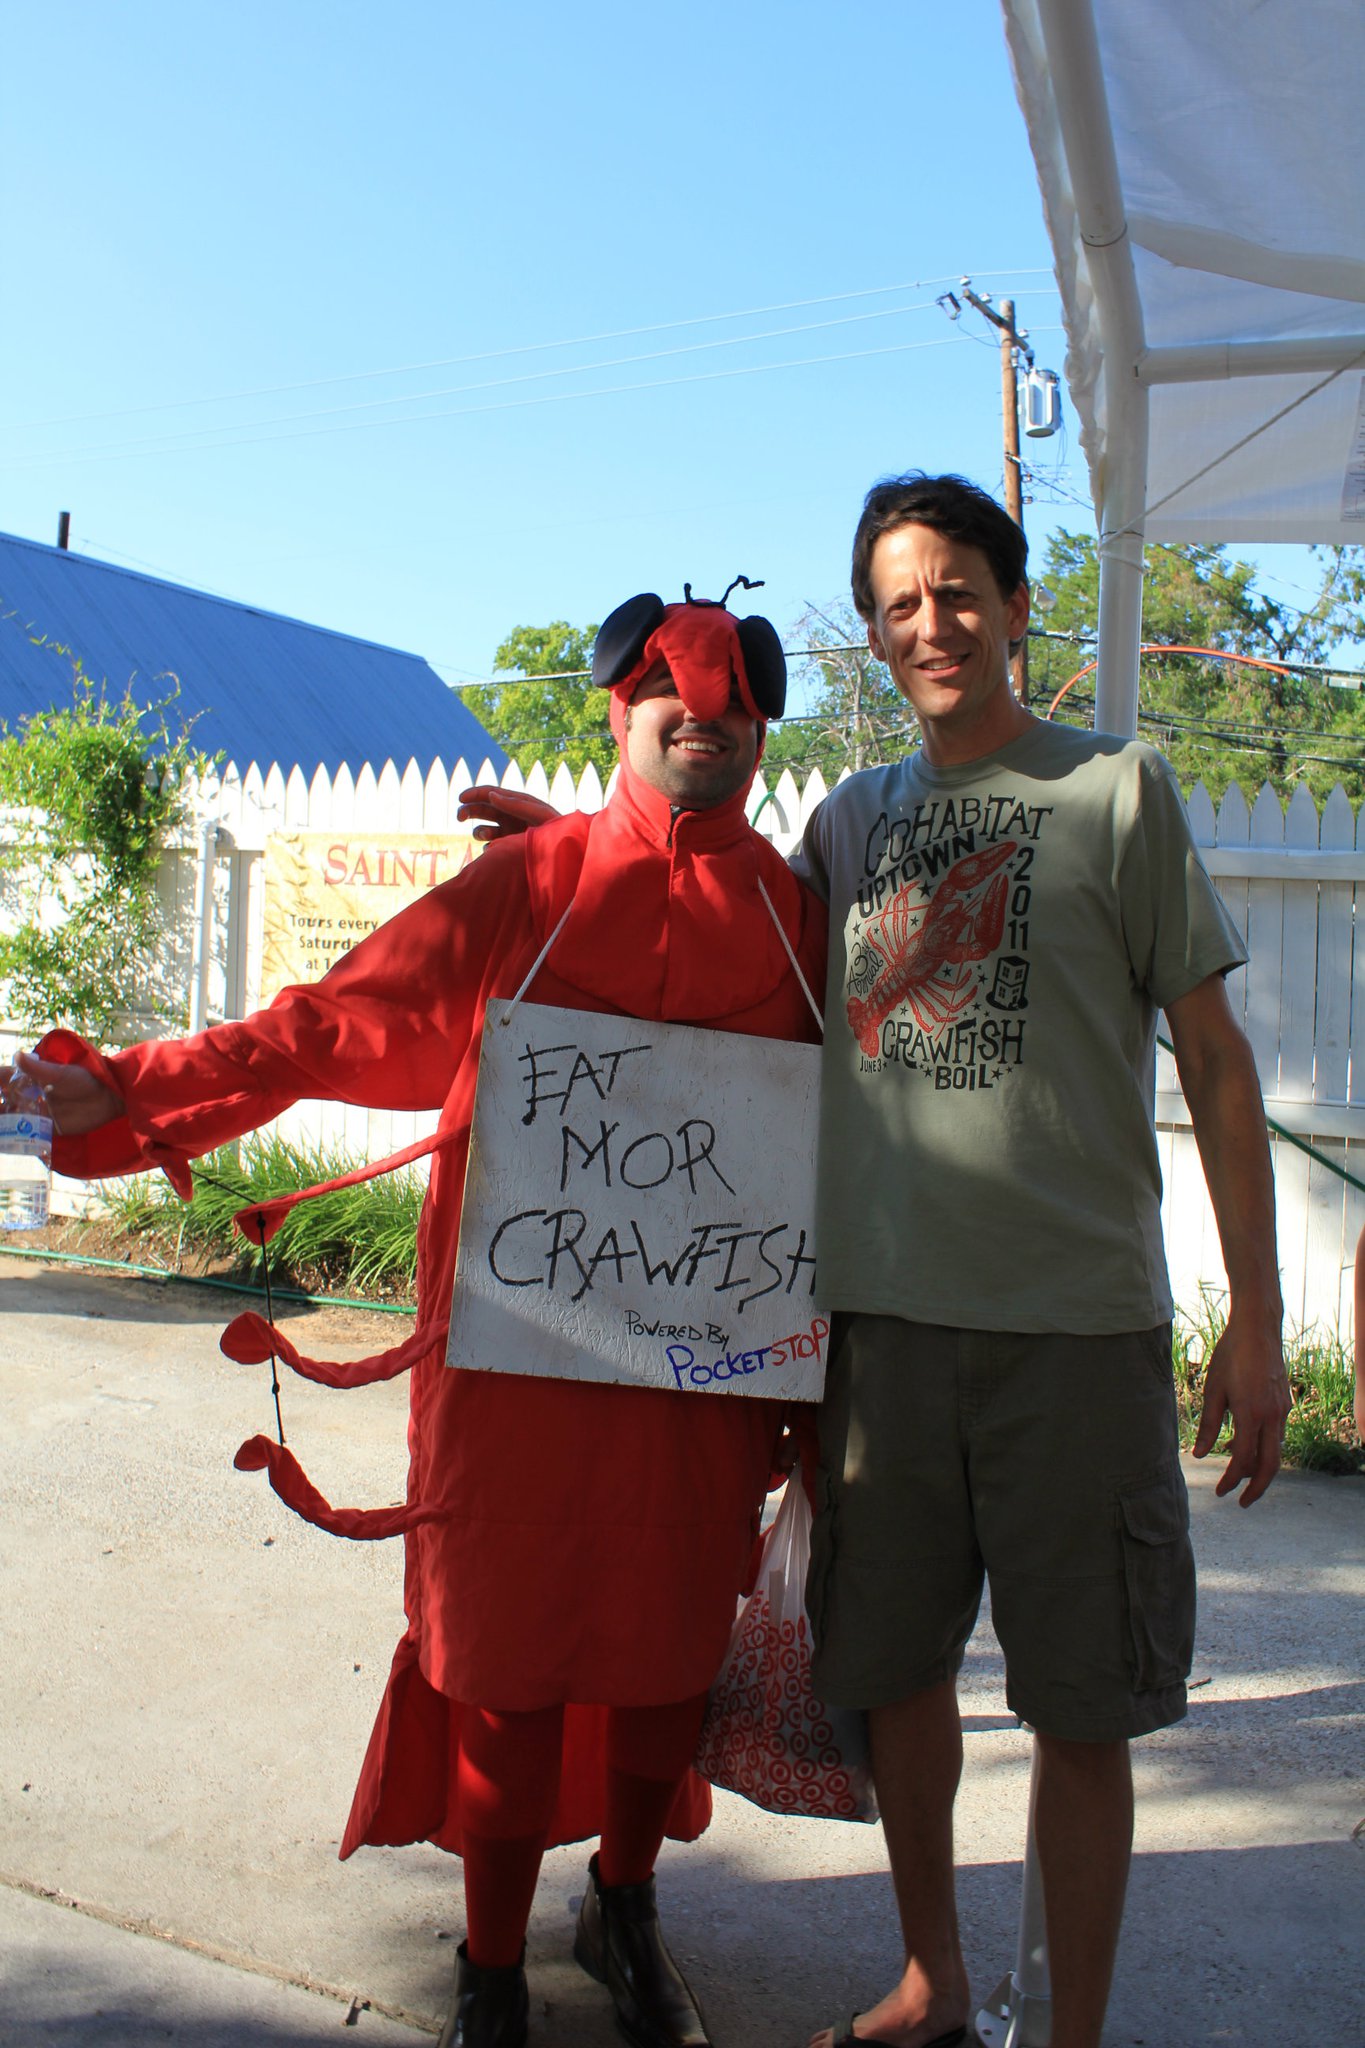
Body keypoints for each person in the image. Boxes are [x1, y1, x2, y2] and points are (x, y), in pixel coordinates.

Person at [2, 586, 827, 2048]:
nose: (701, 712)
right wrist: (127, 1085)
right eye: (666, 689)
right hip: (513, 1374)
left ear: (763, 721)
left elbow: (872, 1141)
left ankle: (624, 1903)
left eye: (733, 694)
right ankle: (490, 1963)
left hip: (698, 1387)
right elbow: (328, 1025)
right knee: (502, 1662)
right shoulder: (532, 886)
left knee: (666, 1661)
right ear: (618, 709)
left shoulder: (797, 918)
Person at [792, 474, 1290, 2048]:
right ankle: (932, 1980)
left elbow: (1215, 1063)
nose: (928, 624)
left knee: (1082, 1705)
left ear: (1013, 608)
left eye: (956, 591)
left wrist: (1257, 1319)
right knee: (891, 1680)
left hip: (1074, 1338)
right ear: (874, 636)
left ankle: (1067, 2032)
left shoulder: (1115, 794)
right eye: (897, 604)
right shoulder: (844, 823)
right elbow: (716, 972)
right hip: (881, 1339)